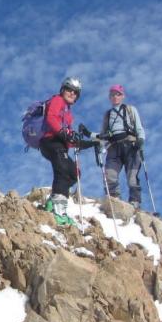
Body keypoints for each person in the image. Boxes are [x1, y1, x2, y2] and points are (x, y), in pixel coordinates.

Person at [38, 77, 96, 226]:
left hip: (59, 144)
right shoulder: (57, 100)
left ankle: (52, 202)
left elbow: (70, 140)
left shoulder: (68, 114)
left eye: (75, 92)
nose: (72, 93)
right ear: (63, 90)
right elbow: (51, 118)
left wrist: (89, 144)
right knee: (63, 170)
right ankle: (58, 211)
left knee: (74, 173)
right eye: (69, 89)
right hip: (50, 141)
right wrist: (65, 132)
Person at [99, 84, 146, 209]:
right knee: (110, 174)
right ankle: (114, 200)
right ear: (110, 97)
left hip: (130, 145)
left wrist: (140, 140)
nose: (115, 97)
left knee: (132, 176)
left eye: (118, 94)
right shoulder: (108, 115)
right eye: (112, 95)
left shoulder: (130, 109)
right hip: (113, 147)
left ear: (122, 96)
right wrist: (101, 145)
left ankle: (135, 202)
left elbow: (139, 127)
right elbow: (103, 134)